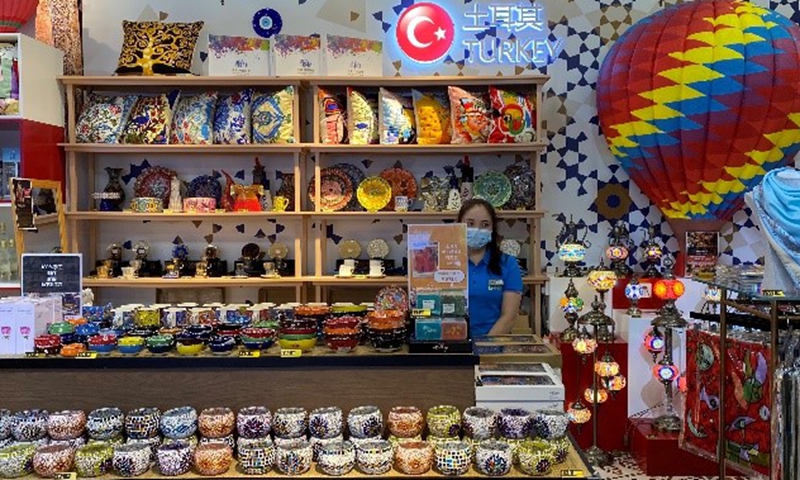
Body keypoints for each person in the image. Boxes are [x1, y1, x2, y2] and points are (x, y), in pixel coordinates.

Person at [458, 198, 523, 336]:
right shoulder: (446, 262)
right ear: (459, 225)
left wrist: (485, 347)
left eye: (485, 224)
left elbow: (509, 317)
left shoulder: (508, 264)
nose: (477, 230)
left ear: (492, 228)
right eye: (470, 224)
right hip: (450, 346)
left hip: (492, 347)